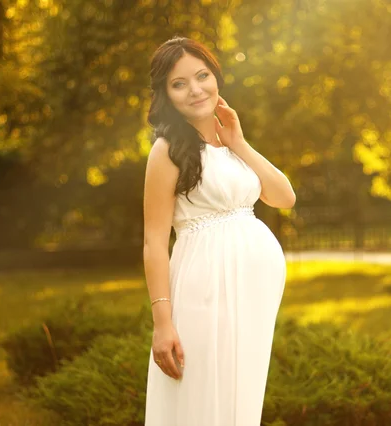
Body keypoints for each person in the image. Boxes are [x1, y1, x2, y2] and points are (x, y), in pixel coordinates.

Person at [142, 36, 295, 426]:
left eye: (202, 75)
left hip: (251, 299)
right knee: (204, 394)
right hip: (203, 289)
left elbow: (283, 196)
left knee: (237, 399)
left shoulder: (230, 142)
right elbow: (154, 242)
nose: (195, 89)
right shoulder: (168, 150)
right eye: (179, 84)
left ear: (216, 76)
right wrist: (163, 324)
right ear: (166, 94)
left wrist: (240, 143)